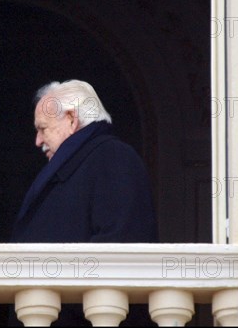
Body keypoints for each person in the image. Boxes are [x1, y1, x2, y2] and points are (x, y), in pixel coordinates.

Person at [10, 79, 158, 326]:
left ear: (70, 119)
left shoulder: (114, 158)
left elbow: (118, 252)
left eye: (43, 128)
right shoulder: (84, 162)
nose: (37, 141)